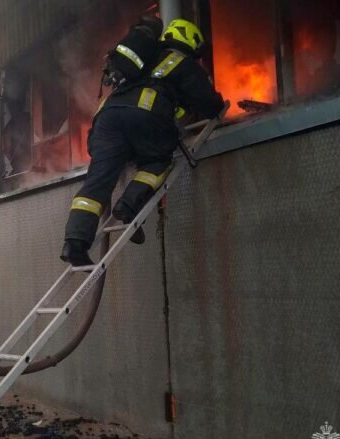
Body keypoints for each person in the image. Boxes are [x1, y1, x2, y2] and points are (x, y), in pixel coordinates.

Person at [61, 18, 225, 266]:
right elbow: (209, 103)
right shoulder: (181, 61)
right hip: (144, 113)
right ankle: (128, 205)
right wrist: (217, 106)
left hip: (106, 119)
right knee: (158, 161)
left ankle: (74, 243)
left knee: (98, 182)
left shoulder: (144, 58)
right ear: (191, 42)